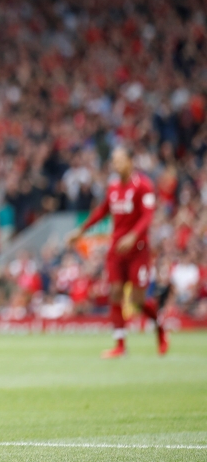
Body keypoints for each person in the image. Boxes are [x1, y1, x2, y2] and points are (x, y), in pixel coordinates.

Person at [66, 146, 167, 357]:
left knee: (138, 301)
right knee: (115, 293)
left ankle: (159, 327)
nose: (116, 164)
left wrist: (133, 236)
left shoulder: (144, 186)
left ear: (131, 161)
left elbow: (147, 216)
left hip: (138, 250)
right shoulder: (112, 187)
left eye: (120, 160)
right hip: (116, 249)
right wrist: (82, 230)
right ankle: (120, 345)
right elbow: (102, 211)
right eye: (114, 161)